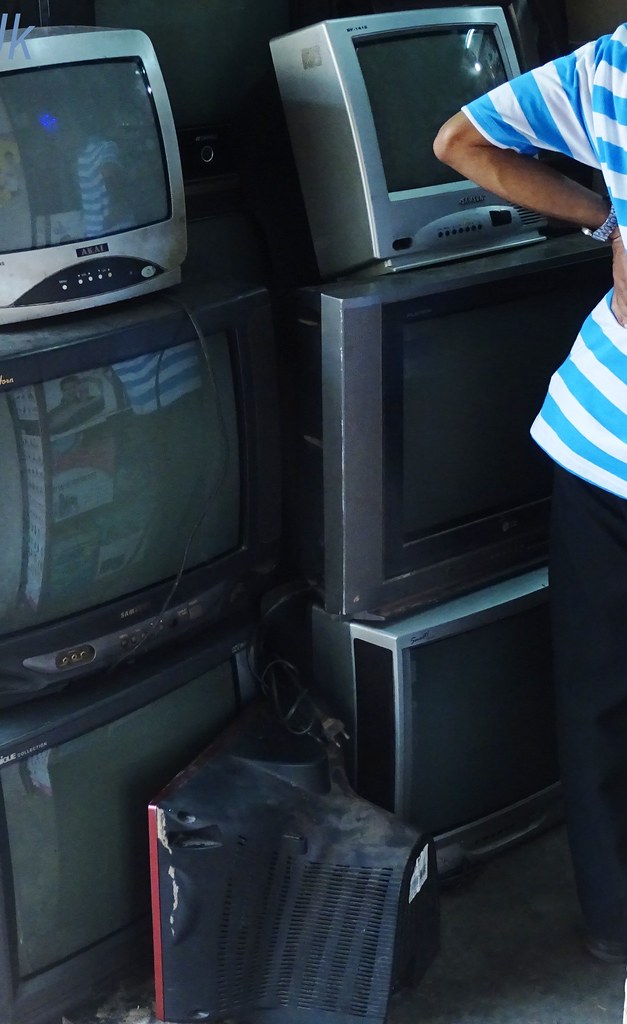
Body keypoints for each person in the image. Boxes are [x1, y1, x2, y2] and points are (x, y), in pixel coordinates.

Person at [433, 25, 627, 963]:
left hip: (601, 433)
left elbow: (459, 142)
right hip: (603, 442)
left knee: (600, 696)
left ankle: (615, 927)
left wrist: (606, 221)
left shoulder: (615, 62)